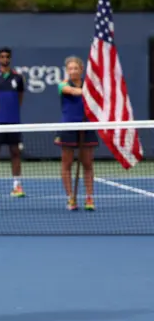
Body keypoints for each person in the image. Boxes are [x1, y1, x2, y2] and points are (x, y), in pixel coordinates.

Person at [55, 56, 96, 211]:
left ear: (81, 69)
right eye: (70, 69)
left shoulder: (90, 85)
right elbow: (72, 91)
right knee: (67, 164)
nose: (73, 71)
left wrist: (92, 90)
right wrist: (90, 91)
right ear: (67, 70)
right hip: (68, 127)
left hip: (87, 127)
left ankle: (89, 198)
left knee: (87, 164)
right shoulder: (63, 85)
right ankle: (70, 198)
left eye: (76, 68)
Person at [0, 47, 26, 198]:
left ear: (10, 59)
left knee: (15, 152)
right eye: (2, 57)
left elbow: (20, 99)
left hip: (13, 122)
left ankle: (17, 185)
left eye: (7, 57)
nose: (5, 59)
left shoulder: (18, 78)